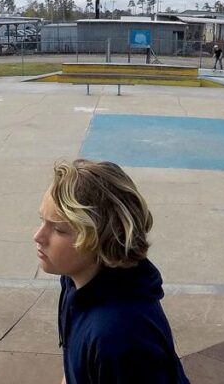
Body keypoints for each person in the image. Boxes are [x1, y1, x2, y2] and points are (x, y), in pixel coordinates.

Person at [35, 159, 189, 384]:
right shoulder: (76, 282)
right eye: (42, 221)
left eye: (58, 229)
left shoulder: (119, 336)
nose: (38, 236)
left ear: (98, 240)